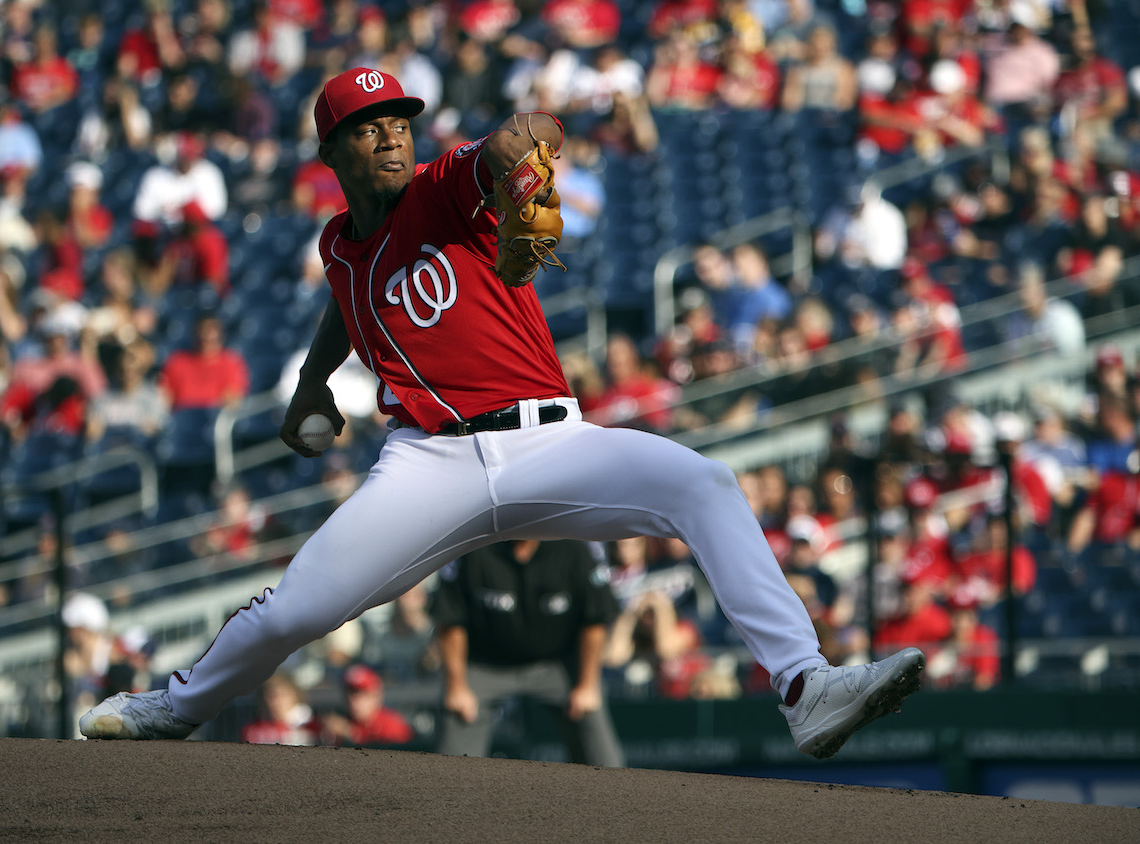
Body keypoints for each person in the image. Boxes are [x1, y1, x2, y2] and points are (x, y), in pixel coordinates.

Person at [79, 67, 925, 760]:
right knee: (295, 608)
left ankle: (805, 687)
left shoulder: (445, 188)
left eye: (399, 120)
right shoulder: (339, 243)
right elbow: (347, 297)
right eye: (368, 126)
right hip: (426, 465)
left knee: (702, 482)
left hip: (550, 441)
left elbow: (532, 132)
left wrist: (526, 182)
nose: (391, 136)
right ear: (330, 149)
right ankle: (172, 707)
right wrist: (310, 383)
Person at [430, 539, 623, 765]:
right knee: (450, 763)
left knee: (607, 762)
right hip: (485, 664)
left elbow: (594, 618)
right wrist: (457, 687)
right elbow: (451, 621)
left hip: (558, 664)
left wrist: (587, 686)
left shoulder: (574, 546)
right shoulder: (471, 547)